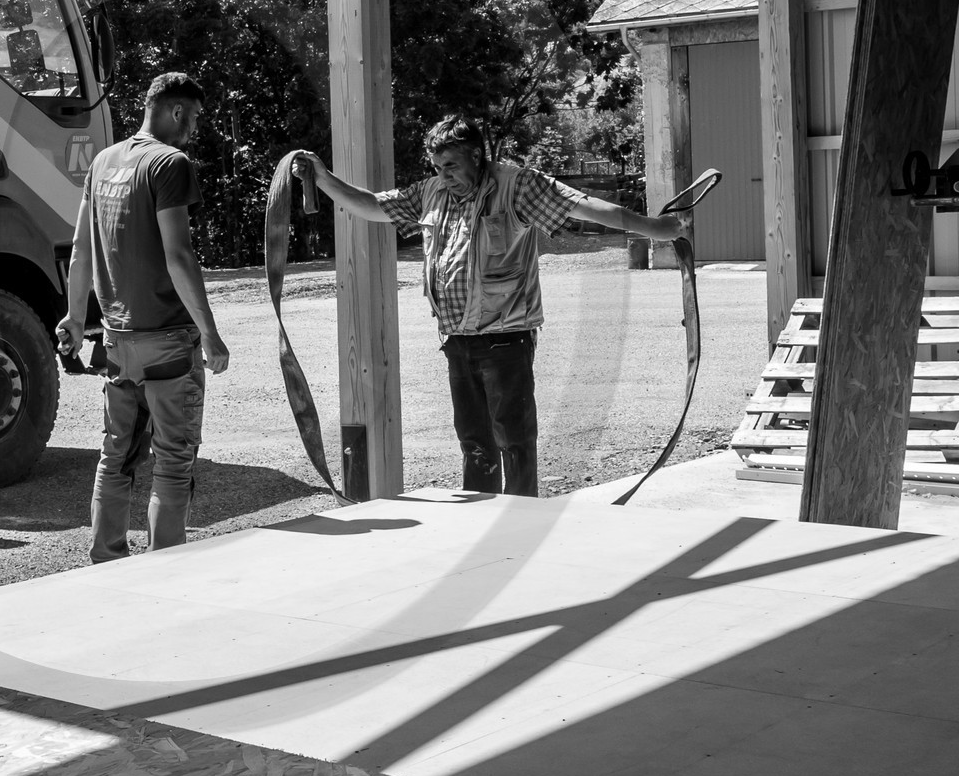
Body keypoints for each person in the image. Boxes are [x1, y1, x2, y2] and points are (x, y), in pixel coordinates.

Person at [295, 116, 686, 498]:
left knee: (514, 440)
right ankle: (480, 519)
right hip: (457, 340)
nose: (443, 174)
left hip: (506, 339)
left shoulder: (517, 186)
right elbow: (369, 205)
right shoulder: (431, 193)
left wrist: (654, 228)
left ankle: (520, 520)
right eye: (436, 166)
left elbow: (583, 206)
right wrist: (323, 177)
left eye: (451, 165)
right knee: (473, 441)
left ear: (477, 157)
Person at [58, 72, 230, 562]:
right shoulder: (170, 163)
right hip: (171, 340)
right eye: (193, 117)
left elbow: (80, 253)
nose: (194, 129)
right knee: (173, 462)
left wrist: (74, 318)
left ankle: (107, 560)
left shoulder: (103, 161)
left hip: (117, 339)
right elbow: (179, 256)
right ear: (175, 111)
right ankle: (165, 569)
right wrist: (209, 333)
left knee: (116, 456)